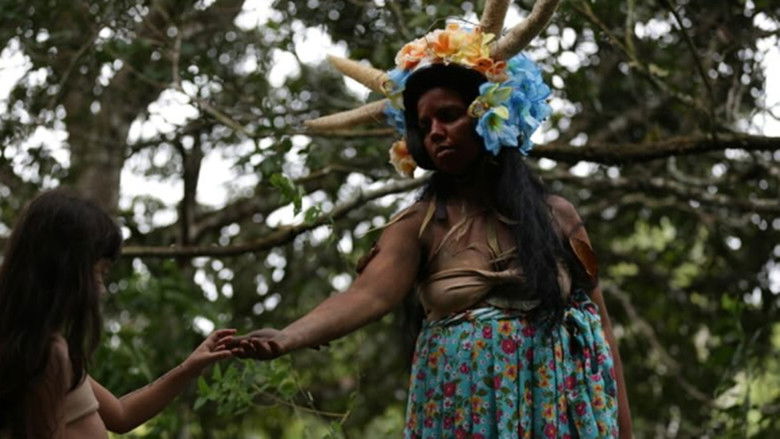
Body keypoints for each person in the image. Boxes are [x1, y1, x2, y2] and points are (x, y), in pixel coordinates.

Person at [235, 18, 632, 439]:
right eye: (425, 126)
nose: (436, 133)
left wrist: (624, 433)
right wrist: (288, 337)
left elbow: (601, 329)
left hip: (555, 416)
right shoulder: (419, 224)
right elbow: (367, 295)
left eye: (448, 116)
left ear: (489, 113)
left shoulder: (557, 216)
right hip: (461, 418)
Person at [0, 189, 236, 438]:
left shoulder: (37, 346)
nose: (101, 289)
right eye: (98, 273)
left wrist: (188, 368)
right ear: (63, 270)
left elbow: (122, 415)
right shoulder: (45, 354)